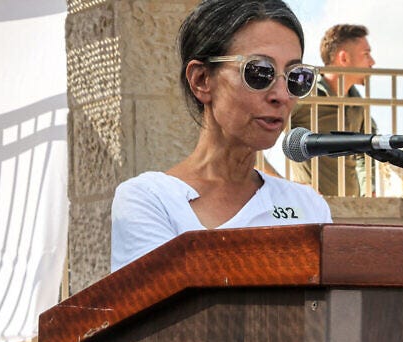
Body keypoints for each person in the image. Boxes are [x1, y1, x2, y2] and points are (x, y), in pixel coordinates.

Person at [111, 0, 332, 271]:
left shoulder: (307, 206)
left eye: (296, 77)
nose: (282, 96)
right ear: (202, 80)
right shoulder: (151, 200)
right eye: (260, 72)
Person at [289, 24, 376, 196]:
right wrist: (285, 185)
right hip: (311, 208)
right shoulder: (304, 95)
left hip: (351, 210)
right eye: (366, 54)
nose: (372, 62)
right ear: (343, 58)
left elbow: (366, 153)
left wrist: (368, 191)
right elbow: (258, 138)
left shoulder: (359, 104)